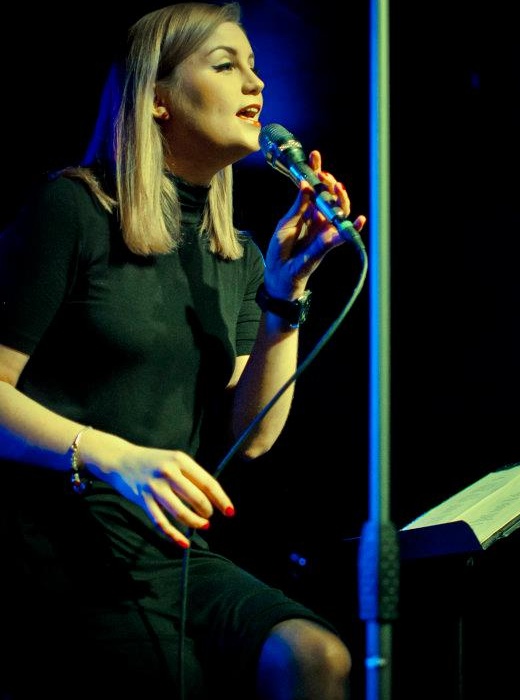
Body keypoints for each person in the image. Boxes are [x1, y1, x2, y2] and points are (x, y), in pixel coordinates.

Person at [0, 3, 366, 699]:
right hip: (53, 543)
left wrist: (285, 295)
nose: (255, 84)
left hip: (166, 549)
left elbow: (253, 439)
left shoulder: (236, 257)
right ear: (157, 99)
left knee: (316, 656)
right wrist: (112, 455)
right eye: (226, 65)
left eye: (254, 67)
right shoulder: (73, 211)